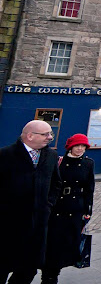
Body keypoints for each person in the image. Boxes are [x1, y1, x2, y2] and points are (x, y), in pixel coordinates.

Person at [0, 120, 61, 284]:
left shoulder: (51, 156)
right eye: (45, 134)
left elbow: (56, 183)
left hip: (37, 226)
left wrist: (48, 205)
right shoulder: (5, 155)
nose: (50, 137)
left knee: (28, 269)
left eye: (50, 134)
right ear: (30, 136)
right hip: (8, 226)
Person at [41, 134, 95, 284]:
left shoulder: (88, 163)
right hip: (57, 208)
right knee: (53, 243)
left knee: (68, 243)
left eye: (83, 146)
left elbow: (89, 188)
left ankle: (56, 271)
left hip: (75, 209)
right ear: (70, 147)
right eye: (77, 146)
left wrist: (88, 210)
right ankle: (49, 276)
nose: (80, 149)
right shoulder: (59, 161)